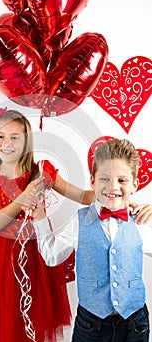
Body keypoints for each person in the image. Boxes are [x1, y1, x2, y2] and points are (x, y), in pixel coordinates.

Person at [0, 107, 99, 342]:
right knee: (1, 321)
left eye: (14, 137)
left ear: (26, 141)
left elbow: (83, 196)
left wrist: (119, 196)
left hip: (35, 253)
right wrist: (23, 198)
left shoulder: (41, 172)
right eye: (0, 136)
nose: (6, 143)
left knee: (32, 317)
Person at [31, 138, 152, 342]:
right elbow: (52, 257)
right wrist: (40, 219)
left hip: (135, 324)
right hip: (91, 326)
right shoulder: (79, 222)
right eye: (104, 178)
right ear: (93, 182)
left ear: (134, 185)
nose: (112, 187)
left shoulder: (142, 222)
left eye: (122, 180)